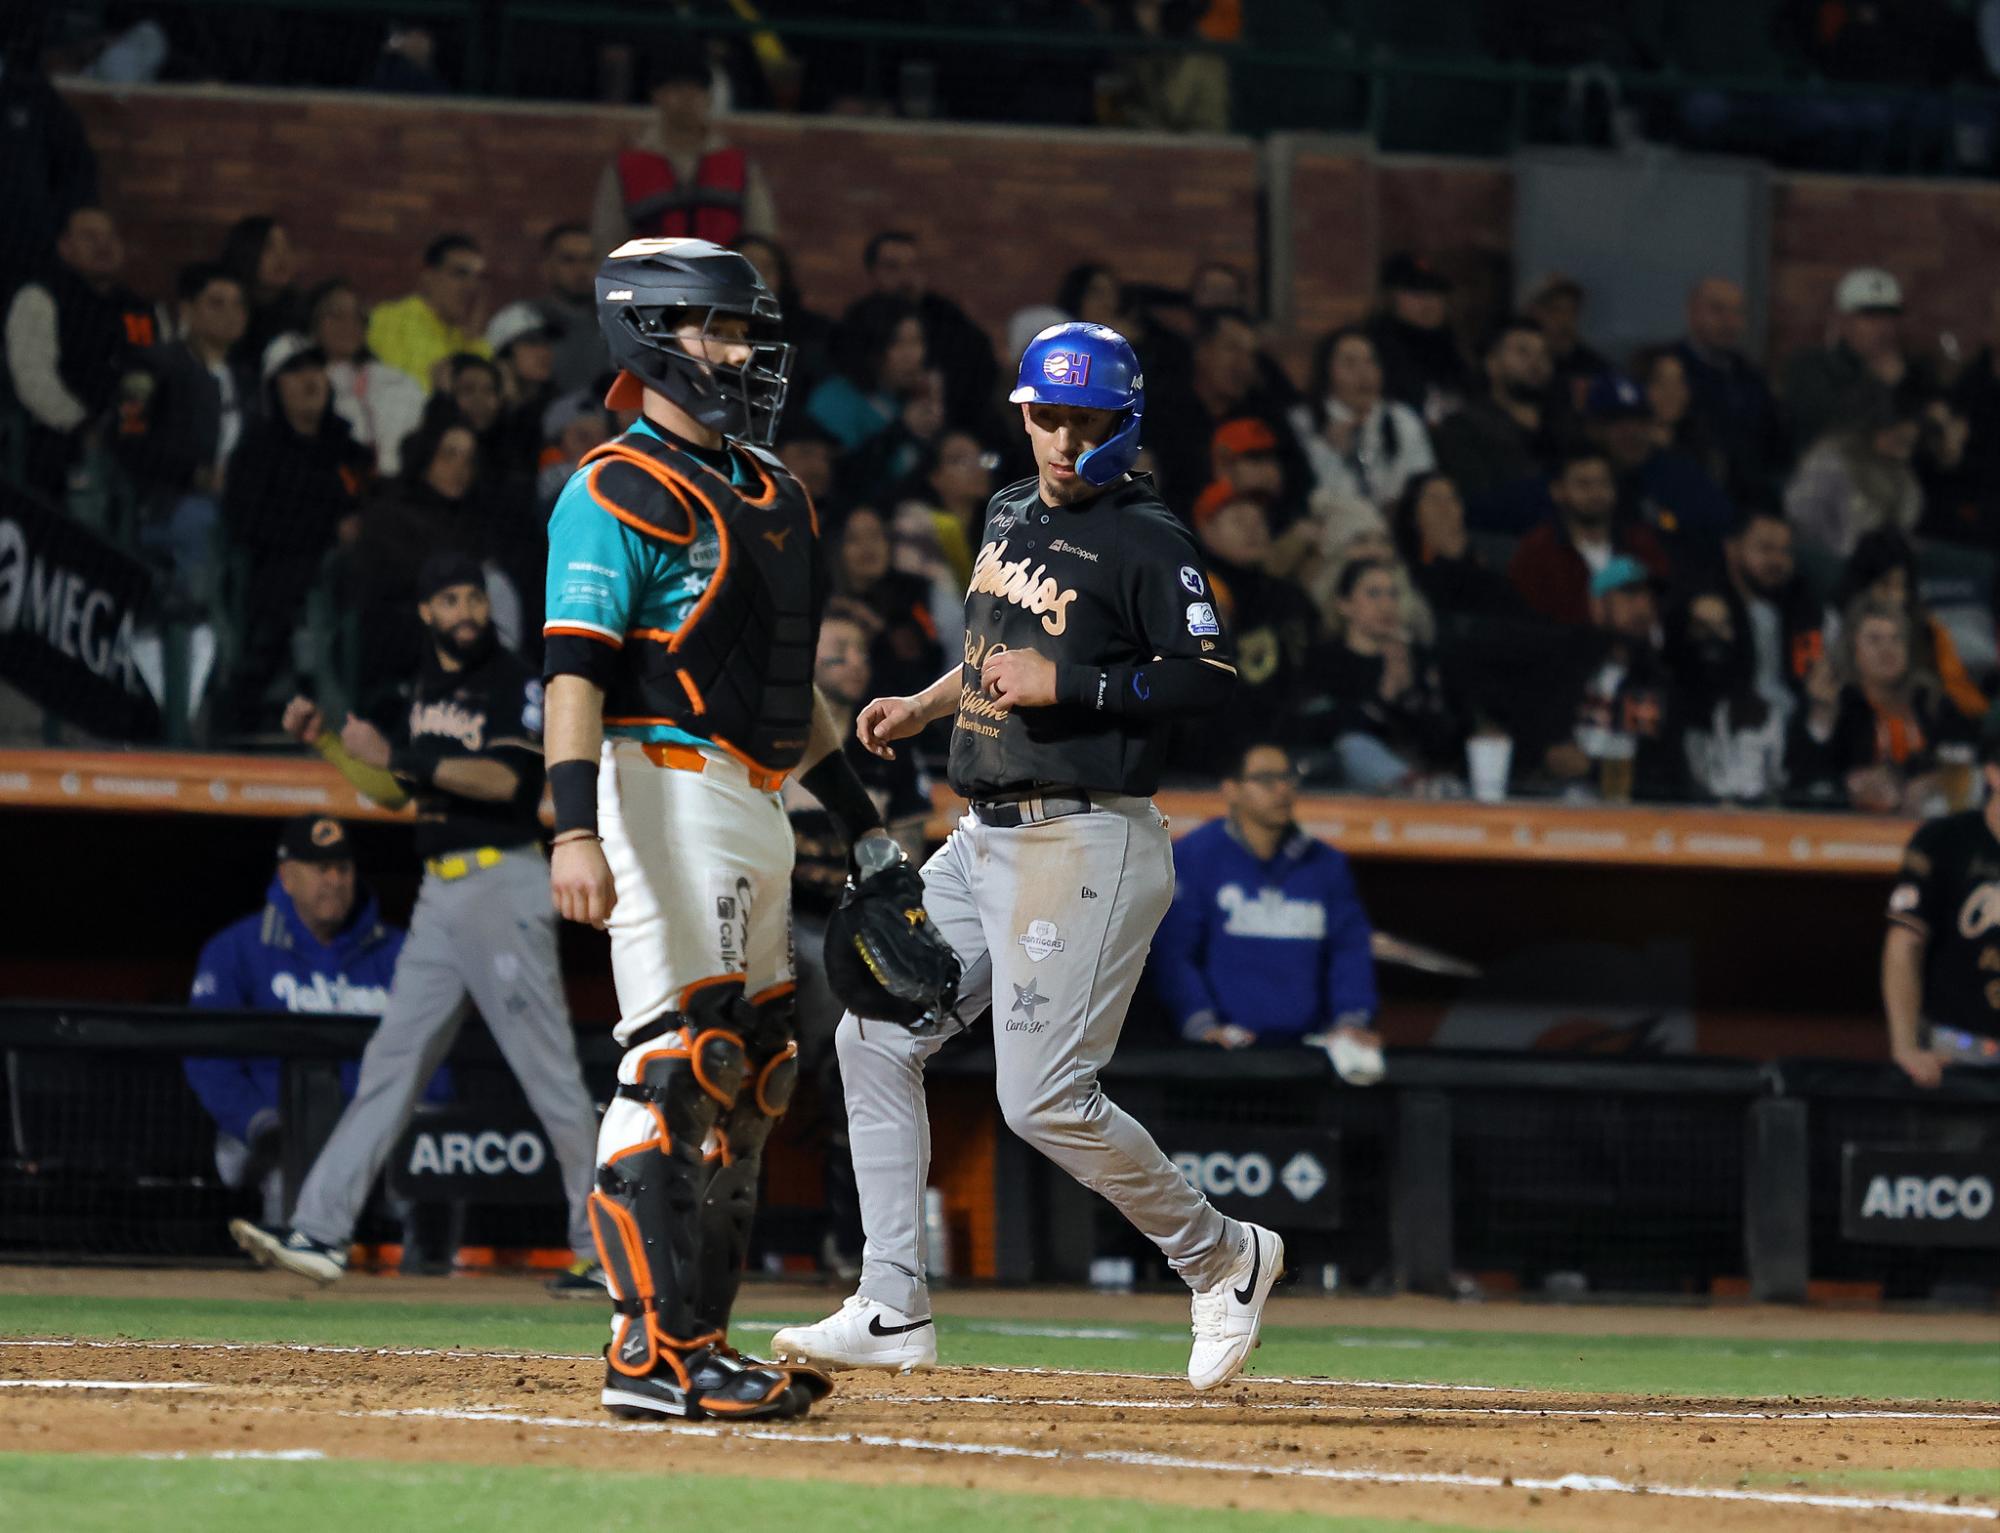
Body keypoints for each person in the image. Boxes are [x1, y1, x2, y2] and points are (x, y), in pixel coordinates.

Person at [771, 321, 1286, 1395]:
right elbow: (994, 656)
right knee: (872, 1034)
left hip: (1086, 834)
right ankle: (890, 1303)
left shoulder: (1146, 538)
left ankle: (1221, 1255)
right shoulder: (1007, 509)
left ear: (1120, 423)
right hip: (984, 835)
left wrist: (1076, 686)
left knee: (1042, 1097)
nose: (1059, 438)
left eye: (1081, 420)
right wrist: (925, 704)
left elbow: (1206, 675)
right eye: (1043, 416)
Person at [539, 236, 896, 1422]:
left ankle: (697, 1345)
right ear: (648, 333)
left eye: (746, 332)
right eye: (719, 329)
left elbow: (790, 690)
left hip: (756, 798)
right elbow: (573, 676)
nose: (740, 353)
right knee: (677, 1062)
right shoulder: (612, 487)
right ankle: (646, 1355)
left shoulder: (776, 489)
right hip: (657, 788)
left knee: (754, 1080)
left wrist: (864, 824)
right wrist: (573, 831)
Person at [229, 554, 602, 1305]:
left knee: (552, 1078)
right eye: (450, 599)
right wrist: (332, 745)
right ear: (427, 612)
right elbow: (397, 791)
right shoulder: (426, 685)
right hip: (440, 895)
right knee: (389, 1065)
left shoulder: (514, 680)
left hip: (502, 883)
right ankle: (320, 1231)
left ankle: (608, 1251)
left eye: (474, 597)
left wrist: (399, 754)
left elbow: (508, 780)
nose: (467, 611)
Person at [188, 816, 453, 1260]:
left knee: (432, 1165)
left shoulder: (400, 953)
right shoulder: (236, 949)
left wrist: (420, 1125)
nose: (334, 880)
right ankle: (286, 1286)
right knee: (291, 1168)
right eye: (320, 868)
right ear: (287, 876)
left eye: (343, 868)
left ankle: (431, 1284)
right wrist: (256, 1121)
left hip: (379, 1131)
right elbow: (208, 1061)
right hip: (271, 1129)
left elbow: (435, 1055)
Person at [781, 608, 932, 1279]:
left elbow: (911, 850)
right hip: (783, 921)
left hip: (854, 927)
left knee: (861, 1063)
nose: (852, 661)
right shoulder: (780, 730)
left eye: (860, 651)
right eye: (836, 648)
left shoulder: (887, 744)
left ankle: (853, 1243)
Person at [1150, 743, 1382, 1084]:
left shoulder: (1326, 864)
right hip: (1216, 1060)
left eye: (1288, 778)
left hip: (1306, 1059)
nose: (1282, 789)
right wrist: (1199, 1023)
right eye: (1266, 779)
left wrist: (1351, 1021)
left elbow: (1349, 950)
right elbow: (1174, 954)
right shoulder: (1195, 856)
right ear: (1231, 789)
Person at [220, 334, 373, 731]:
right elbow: (249, 524)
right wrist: (327, 529)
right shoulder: (256, 450)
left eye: (316, 368)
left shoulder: (346, 447)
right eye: (295, 371)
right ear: (275, 386)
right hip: (278, 573)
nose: (310, 379)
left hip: (349, 571)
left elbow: (365, 506)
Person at [119, 262, 250, 600]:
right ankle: (195, 621)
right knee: (203, 522)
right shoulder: (153, 365)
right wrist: (195, 474)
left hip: (238, 500)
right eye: (216, 303)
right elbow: (128, 439)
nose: (231, 313)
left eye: (238, 304)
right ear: (188, 310)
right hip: (169, 501)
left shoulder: (248, 379)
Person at [4, 204, 156, 497]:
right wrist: (83, 426)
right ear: (65, 247)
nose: (103, 246)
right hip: (63, 440)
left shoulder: (138, 309)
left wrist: (133, 424)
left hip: (135, 440)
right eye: (90, 237)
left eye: (110, 237)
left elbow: (149, 368)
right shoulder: (39, 298)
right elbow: (34, 379)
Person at [1883, 719, 2000, 1086]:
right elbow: (1904, 943)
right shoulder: (1945, 840)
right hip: (1956, 1056)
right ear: (1993, 773)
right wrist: (1905, 1047)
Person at [1291, 558, 1461, 790]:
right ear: (1344, 604)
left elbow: (1442, 740)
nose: (1386, 604)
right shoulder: (1324, 660)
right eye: (1373, 594)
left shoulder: (1417, 658)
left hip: (1421, 770)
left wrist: (1410, 696)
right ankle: (1409, 785)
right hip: (1347, 778)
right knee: (1353, 745)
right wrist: (1384, 697)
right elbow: (1318, 728)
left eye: (1393, 594)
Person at [1787, 599, 1967, 813]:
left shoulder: (1932, 700)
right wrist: (1851, 785)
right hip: (1854, 823)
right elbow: (1807, 781)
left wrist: (1932, 781)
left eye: (1896, 639)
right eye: (1874, 640)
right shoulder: (1838, 702)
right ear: (1852, 648)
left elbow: (1967, 757)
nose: (1887, 649)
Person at [589, 53, 777, 256]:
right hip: (651, 274)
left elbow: (761, 237)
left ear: (709, 97)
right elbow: (607, 238)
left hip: (723, 273)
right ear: (657, 96)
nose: (688, 98)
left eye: (697, 89)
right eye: (677, 88)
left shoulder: (738, 165)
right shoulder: (627, 167)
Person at [1432, 316, 1577, 533]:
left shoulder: (1565, 426)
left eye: (1544, 354)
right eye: (1522, 352)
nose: (1536, 363)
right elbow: (1476, 503)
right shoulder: (1464, 427)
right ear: (1492, 364)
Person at [1582, 371, 1736, 574]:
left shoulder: (1680, 474)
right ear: (1594, 429)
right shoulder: (1579, 480)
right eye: (1617, 422)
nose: (1632, 432)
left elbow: (1722, 527)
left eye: (1640, 420)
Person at [850, 229, 997, 434]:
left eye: (913, 266)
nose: (906, 277)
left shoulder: (949, 319)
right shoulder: (858, 322)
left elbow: (980, 371)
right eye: (893, 267)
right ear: (873, 272)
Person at [1508, 447, 1671, 627]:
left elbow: (1666, 600)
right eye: (1583, 484)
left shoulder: (1641, 541)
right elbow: (1526, 618)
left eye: (1603, 483)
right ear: (1557, 490)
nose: (1595, 493)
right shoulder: (1538, 550)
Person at [1288, 326, 1436, 515]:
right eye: (1350, 364)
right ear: (1327, 372)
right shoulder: (1303, 422)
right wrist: (1329, 452)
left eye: (1371, 362)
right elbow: (1305, 492)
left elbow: (1422, 480)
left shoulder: (1401, 418)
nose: (1364, 374)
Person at [1665, 587, 1788, 804]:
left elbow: (1778, 786)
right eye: (1701, 627)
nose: (1713, 637)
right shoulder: (1664, 706)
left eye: (1723, 627)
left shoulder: (1762, 713)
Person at [1673, 276, 1787, 506]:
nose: (1729, 322)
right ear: (1692, 312)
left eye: (1737, 312)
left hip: (1750, 502)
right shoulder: (1670, 369)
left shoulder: (1752, 376)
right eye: (1718, 310)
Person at [1781, 267, 1921, 453]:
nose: (1883, 327)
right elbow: (1823, 428)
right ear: (1843, 320)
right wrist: (1878, 383)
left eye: (1889, 316)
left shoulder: (1911, 371)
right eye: (1870, 316)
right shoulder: (1812, 367)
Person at [1144, 306, 1265, 520]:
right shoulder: (1162, 414)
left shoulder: (1258, 414)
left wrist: (1272, 476)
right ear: (1201, 351)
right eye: (1232, 349)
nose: (1243, 365)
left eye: (1250, 355)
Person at [1785, 389, 1925, 559]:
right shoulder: (1831, 457)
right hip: (1829, 554)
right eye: (1897, 438)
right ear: (1878, 428)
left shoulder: (1902, 476)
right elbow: (1802, 512)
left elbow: (1906, 519)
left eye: (1908, 444)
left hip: (1878, 560)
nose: (1901, 451)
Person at [307, 278, 425, 477]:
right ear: (313, 322)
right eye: (336, 315)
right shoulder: (302, 382)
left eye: (358, 317)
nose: (348, 324)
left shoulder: (396, 381)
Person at [1719, 506, 1825, 727]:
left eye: (1785, 551)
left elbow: (1807, 674)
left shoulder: (1803, 606)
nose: (1777, 561)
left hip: (1791, 725)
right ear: (1732, 549)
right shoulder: (1709, 604)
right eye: (1765, 549)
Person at [365, 233, 491, 390]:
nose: (471, 286)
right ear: (428, 276)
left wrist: (472, 341)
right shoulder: (389, 321)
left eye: (479, 278)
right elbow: (394, 388)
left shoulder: (474, 341)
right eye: (460, 274)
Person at [1363, 252, 1474, 422]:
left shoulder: (1452, 351)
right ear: (1389, 298)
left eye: (1436, 293)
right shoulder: (1372, 348)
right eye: (1415, 293)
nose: (1428, 303)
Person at [531, 222, 612, 396]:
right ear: (546, 267)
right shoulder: (524, 322)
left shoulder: (617, 323)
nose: (581, 270)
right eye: (569, 260)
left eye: (589, 260)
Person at [217, 215, 304, 373]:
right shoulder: (221, 306)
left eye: (287, 247)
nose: (281, 256)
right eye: (269, 247)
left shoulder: (302, 312)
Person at [1525, 274, 1611, 411]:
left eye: (1572, 311)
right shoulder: (1520, 363)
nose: (1564, 320)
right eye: (1555, 310)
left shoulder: (1593, 367)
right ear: (1534, 313)